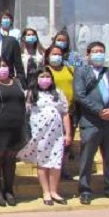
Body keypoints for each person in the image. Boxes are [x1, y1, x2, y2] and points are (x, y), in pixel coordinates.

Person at [73, 41, 109, 205]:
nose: (98, 54)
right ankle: (84, 189)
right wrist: (99, 111)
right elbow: (80, 95)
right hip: (91, 122)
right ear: (88, 55)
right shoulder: (82, 72)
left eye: (101, 51)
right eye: (95, 51)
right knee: (87, 157)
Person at [17, 67, 71, 205]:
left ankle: (54, 191)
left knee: (56, 163)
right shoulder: (30, 94)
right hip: (40, 134)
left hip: (57, 135)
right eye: (42, 77)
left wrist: (68, 133)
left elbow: (65, 114)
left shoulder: (58, 93)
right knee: (43, 163)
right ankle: (46, 192)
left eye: (48, 76)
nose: (45, 79)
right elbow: (25, 113)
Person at [0, 58, 27, 206]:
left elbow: (23, 102)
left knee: (10, 160)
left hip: (16, 127)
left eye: (5, 65)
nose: (3, 68)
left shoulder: (16, 82)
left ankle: (9, 189)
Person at [45, 44, 76, 180]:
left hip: (69, 110)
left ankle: (64, 167)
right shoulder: (45, 71)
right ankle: (49, 169)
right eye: (53, 54)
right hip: (51, 113)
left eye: (59, 54)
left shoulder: (69, 69)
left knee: (66, 141)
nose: (56, 56)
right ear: (47, 56)